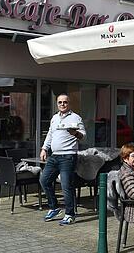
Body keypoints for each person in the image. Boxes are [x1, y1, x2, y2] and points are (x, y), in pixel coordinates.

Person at [40, 94, 86, 226]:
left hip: (68, 156)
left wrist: (75, 133)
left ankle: (70, 214)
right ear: (57, 104)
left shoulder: (76, 117)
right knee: (44, 181)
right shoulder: (54, 118)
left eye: (65, 102)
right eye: (60, 102)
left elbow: (84, 136)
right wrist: (44, 148)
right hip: (54, 156)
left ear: (69, 104)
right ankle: (54, 207)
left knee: (66, 186)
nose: (62, 104)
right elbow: (50, 134)